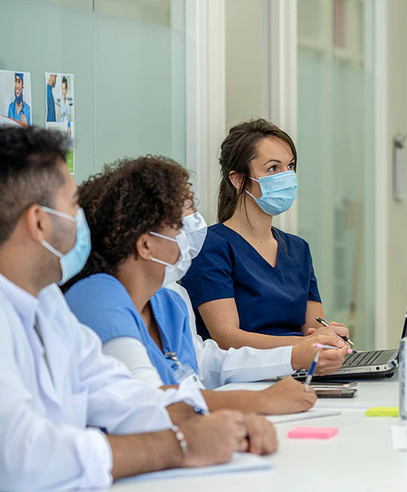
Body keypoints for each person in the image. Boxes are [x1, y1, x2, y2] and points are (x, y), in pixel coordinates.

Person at [0, 126, 278, 490]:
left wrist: (218, 421)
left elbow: (119, 392)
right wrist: (179, 445)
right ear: (39, 222)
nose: (81, 217)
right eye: (73, 204)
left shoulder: (47, 303)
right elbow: (24, 459)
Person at [65, 156, 345, 404]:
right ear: (145, 244)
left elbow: (208, 363)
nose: (191, 237)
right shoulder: (97, 297)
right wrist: (257, 402)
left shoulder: (169, 296)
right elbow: (149, 402)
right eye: (179, 225)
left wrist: (294, 357)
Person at [182, 118, 350, 368]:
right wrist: (301, 347)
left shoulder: (298, 249)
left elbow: (313, 327)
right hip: (243, 379)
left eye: (290, 166)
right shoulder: (210, 246)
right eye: (272, 168)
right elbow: (226, 338)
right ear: (238, 179)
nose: (286, 176)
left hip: (299, 374)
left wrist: (330, 337)